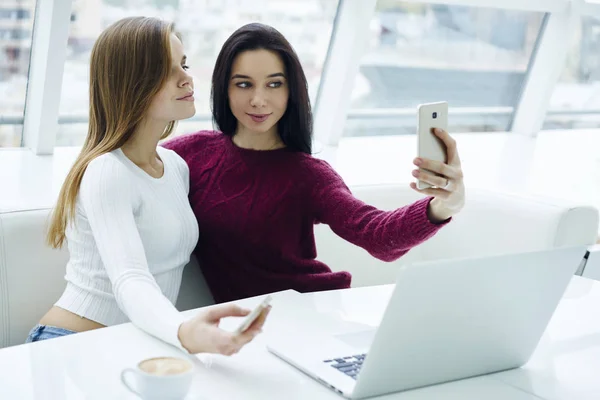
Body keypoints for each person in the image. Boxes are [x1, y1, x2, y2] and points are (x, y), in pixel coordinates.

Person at [163, 23, 465, 304]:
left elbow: (376, 235)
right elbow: (131, 166)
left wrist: (441, 207)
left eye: (274, 84)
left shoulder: (309, 175)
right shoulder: (192, 151)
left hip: (312, 311)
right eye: (243, 84)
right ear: (224, 88)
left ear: (291, 90)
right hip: (246, 329)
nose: (258, 99)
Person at [28, 17, 269, 356]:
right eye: (169, 71)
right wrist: (183, 331)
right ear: (133, 83)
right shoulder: (106, 172)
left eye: (183, 65)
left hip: (136, 345)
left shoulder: (175, 167)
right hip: (70, 345)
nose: (188, 78)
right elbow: (130, 279)